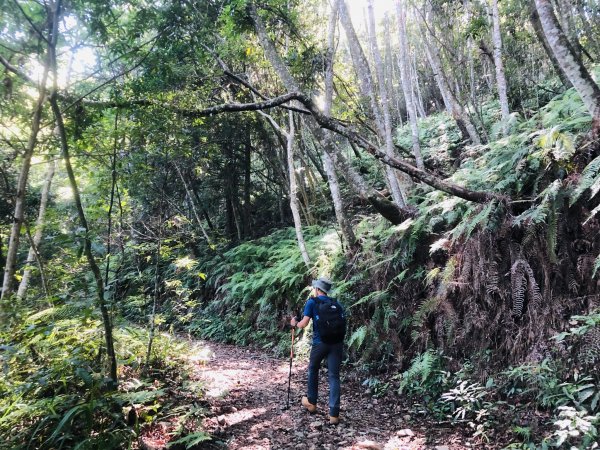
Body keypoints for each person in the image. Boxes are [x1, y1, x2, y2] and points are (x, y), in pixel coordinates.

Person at [290, 277, 344, 425]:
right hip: (337, 344)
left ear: (317, 289)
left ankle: (312, 403)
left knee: (313, 369)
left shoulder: (312, 302)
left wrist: (294, 323)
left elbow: (304, 323)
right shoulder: (336, 303)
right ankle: (334, 414)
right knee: (334, 376)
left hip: (320, 343)